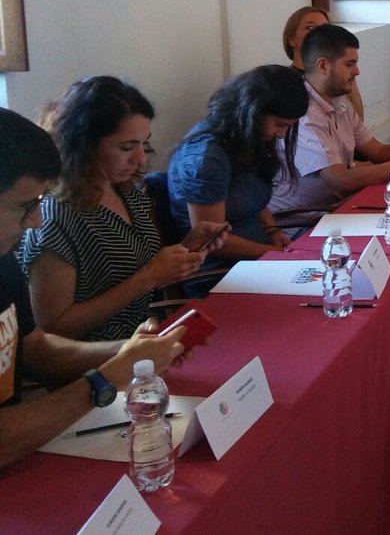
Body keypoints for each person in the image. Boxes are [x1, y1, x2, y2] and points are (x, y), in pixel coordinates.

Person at [0, 108, 191, 470]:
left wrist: (130, 352)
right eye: (24, 206)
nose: (35, 221)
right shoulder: (57, 220)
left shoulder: (2, 256)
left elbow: (34, 348)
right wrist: (102, 380)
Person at [18, 78, 224, 342]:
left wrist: (187, 249)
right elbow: (52, 328)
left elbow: (139, 270)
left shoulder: (126, 192)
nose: (140, 158)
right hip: (97, 356)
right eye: (127, 147)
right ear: (84, 145)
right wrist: (148, 279)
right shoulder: (56, 216)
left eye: (142, 144)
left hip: (144, 340)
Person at [269, 24, 390, 229]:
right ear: (323, 66)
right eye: (349, 64)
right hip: (304, 222)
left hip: (339, 207)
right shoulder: (305, 114)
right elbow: (340, 180)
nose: (357, 71)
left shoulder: (339, 101)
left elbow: (378, 151)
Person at [168, 65, 310, 269]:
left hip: (259, 254)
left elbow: (252, 199)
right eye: (280, 125)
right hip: (220, 270)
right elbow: (212, 241)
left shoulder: (246, 137)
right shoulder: (206, 158)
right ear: (254, 112)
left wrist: (273, 231)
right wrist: (277, 254)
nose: (281, 135)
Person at [282, 5, 364, 120]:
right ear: (291, 39)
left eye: (325, 28)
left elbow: (357, 122)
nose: (320, 34)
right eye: (310, 28)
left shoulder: (335, 73)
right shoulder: (287, 83)